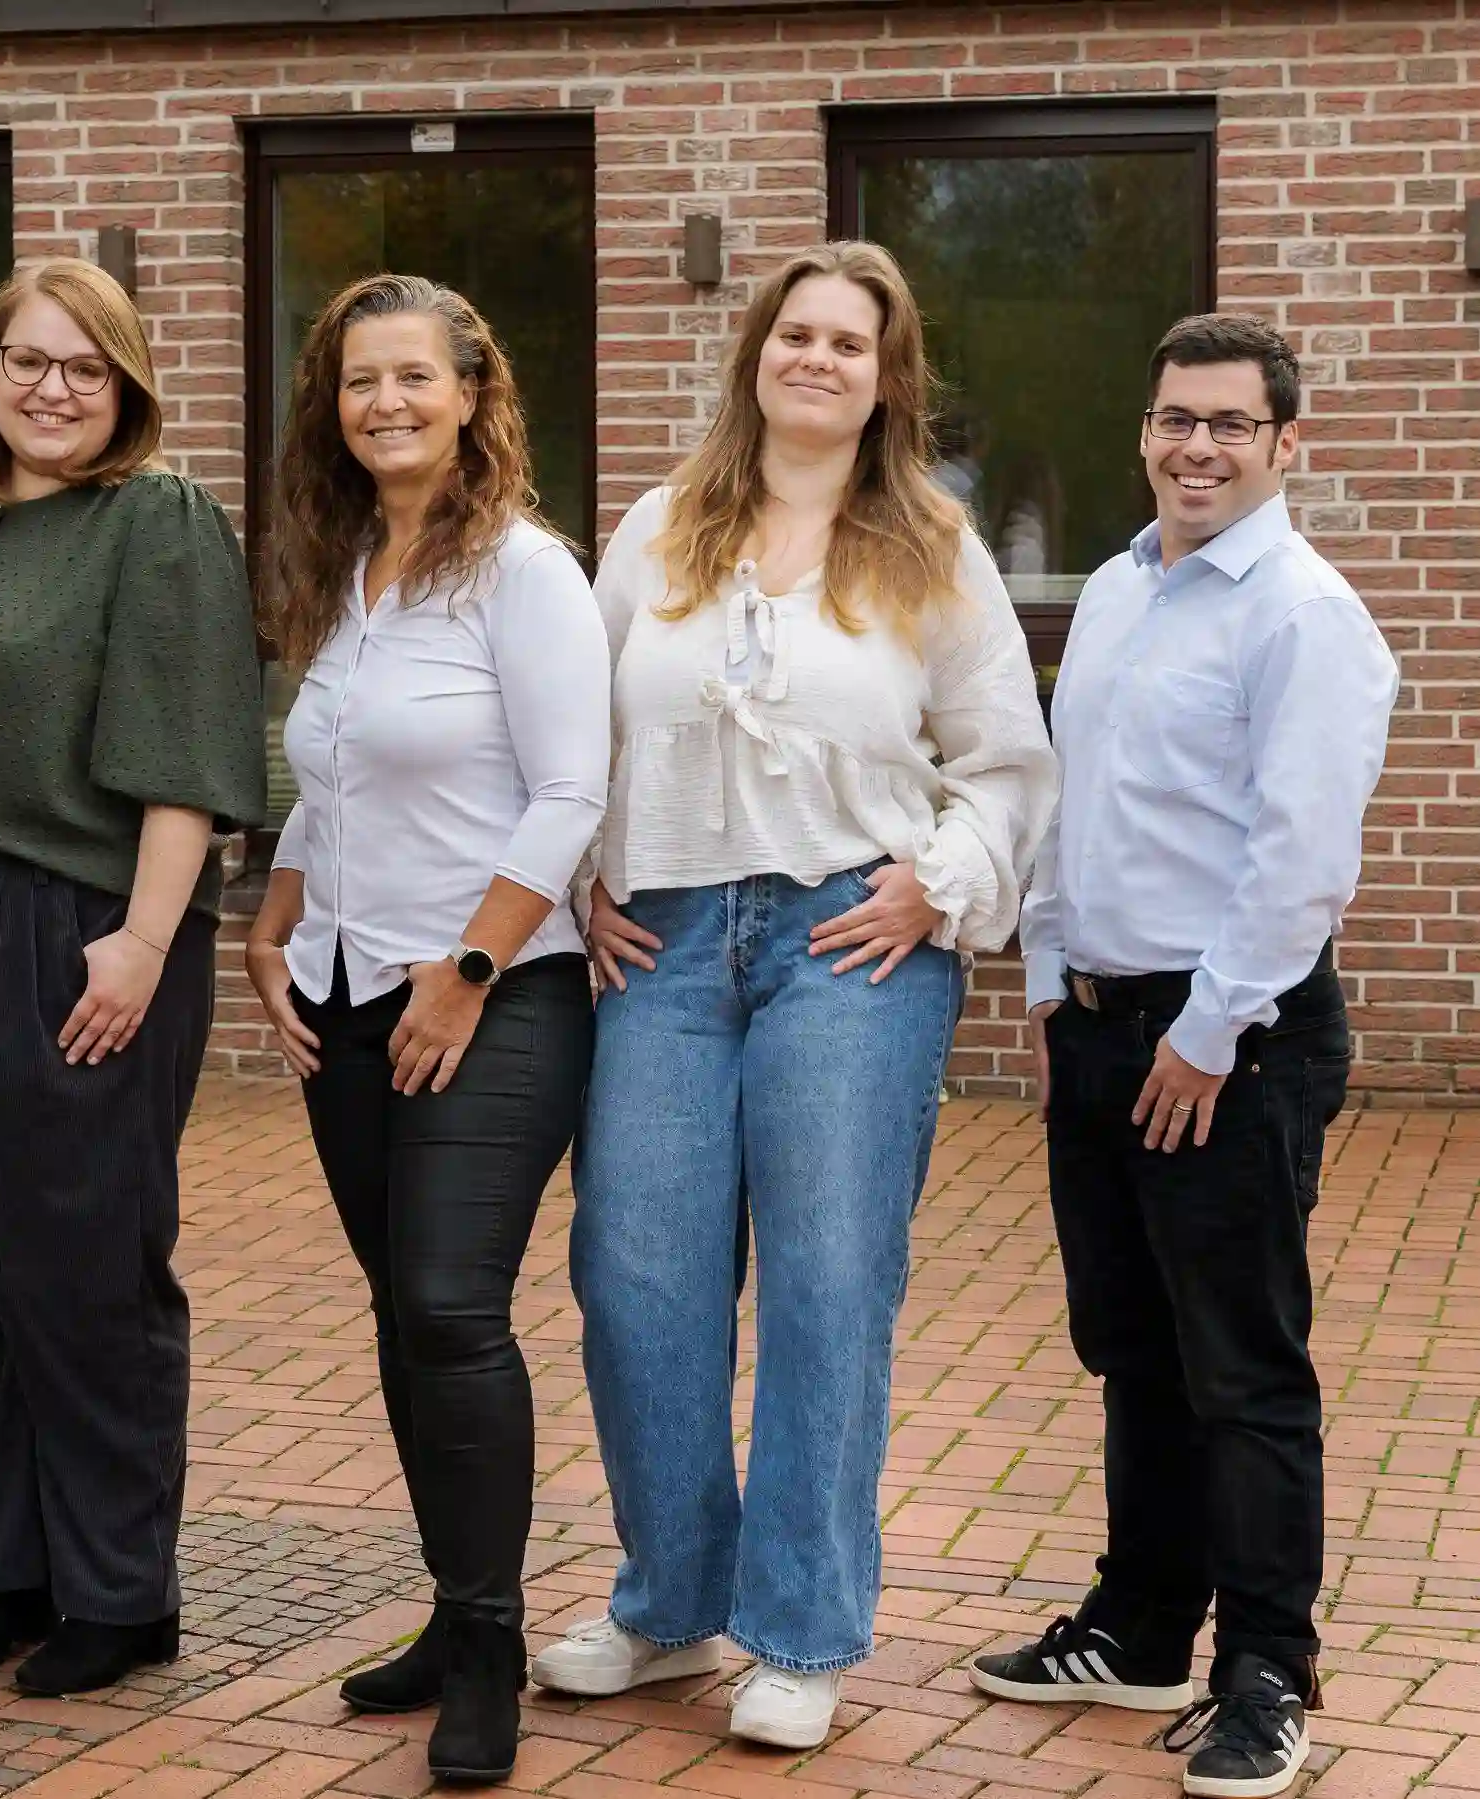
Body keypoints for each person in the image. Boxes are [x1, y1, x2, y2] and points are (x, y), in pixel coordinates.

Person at [531, 242, 1056, 1749]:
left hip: (848, 942)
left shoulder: (931, 546)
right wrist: (582, 877)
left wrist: (938, 881)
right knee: (634, 1274)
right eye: (797, 333)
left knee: (828, 1284)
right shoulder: (658, 529)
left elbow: (1007, 759)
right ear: (756, 352)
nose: (817, 358)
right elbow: (578, 733)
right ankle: (668, 1603)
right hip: (665, 943)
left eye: (849, 342)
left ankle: (802, 1631)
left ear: (887, 380)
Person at [971, 314, 1396, 1799]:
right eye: (1174, 419)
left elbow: (1301, 858)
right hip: (1101, 1026)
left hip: (1232, 1038)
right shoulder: (1114, 587)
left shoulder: (1303, 615)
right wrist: (1049, 988)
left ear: (1286, 443)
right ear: (1144, 431)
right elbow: (1070, 798)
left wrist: (1208, 1034)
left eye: (1229, 423)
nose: (1196, 447)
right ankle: (1144, 1625)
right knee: (1131, 1345)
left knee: (1241, 1365)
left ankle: (1267, 1670)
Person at [0, 259, 266, 1698]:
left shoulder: (153, 520)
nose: (50, 390)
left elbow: (190, 760)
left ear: (126, 385)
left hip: (74, 928)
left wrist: (145, 942)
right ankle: (11, 1567)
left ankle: (118, 1589)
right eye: (26, 361)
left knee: (83, 1267)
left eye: (84, 368)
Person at [244, 273, 608, 1786]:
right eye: (357, 381)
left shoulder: (523, 571)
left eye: (412, 377)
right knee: (404, 1311)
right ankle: (457, 1618)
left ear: (471, 394)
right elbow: (330, 785)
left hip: (492, 997)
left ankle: (491, 1646)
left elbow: (570, 792)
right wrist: (270, 921)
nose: (383, 402)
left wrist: (465, 967)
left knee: (453, 1306)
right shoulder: (347, 572)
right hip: (343, 997)